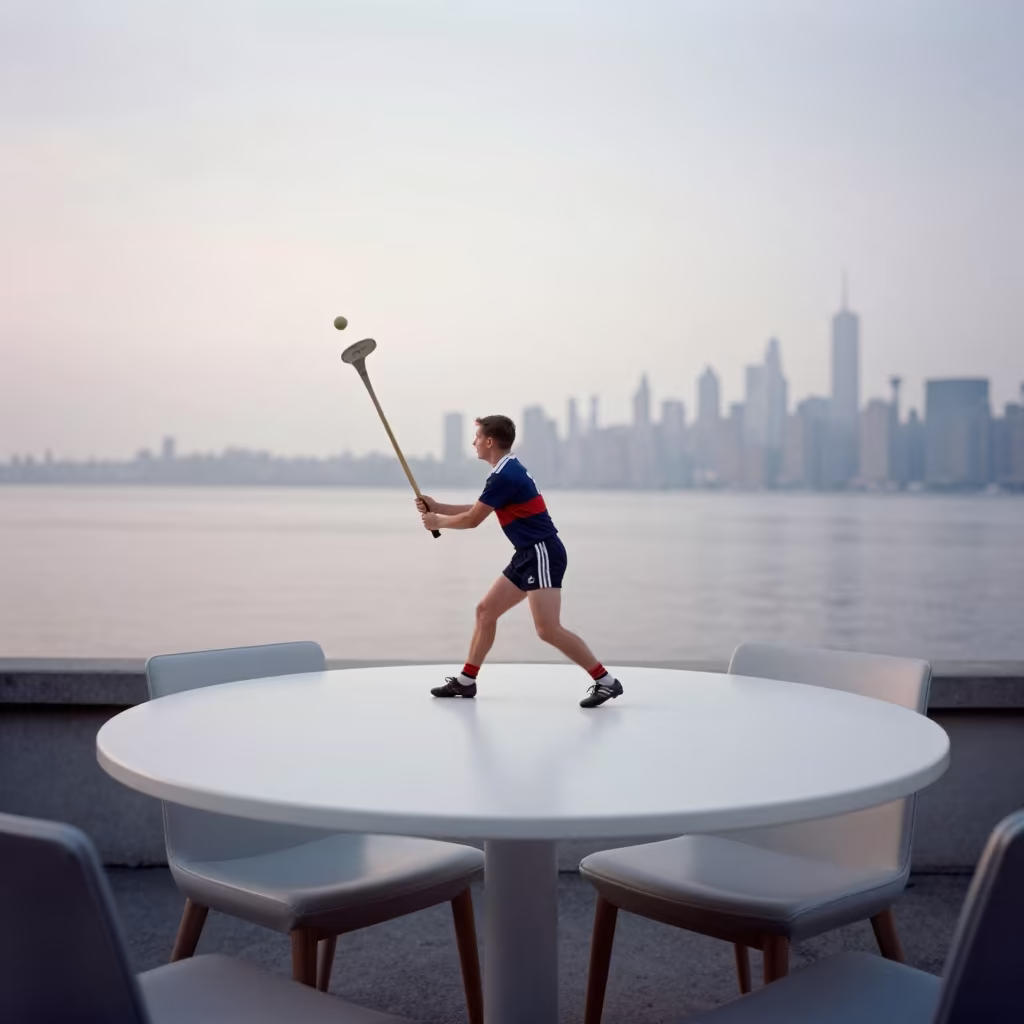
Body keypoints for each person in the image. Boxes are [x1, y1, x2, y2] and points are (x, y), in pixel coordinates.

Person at [417, 414, 623, 708]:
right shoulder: (505, 471)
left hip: (541, 552)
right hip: (528, 553)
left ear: (489, 442)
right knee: (485, 612)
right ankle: (466, 681)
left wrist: (439, 520)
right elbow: (480, 508)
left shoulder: (505, 476)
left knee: (547, 630)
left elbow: (473, 519)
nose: (473, 442)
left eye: (476, 437)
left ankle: (606, 682)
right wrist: (438, 508)